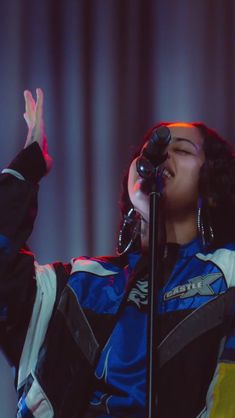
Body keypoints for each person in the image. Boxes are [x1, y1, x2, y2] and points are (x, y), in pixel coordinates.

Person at [0, 88, 235, 418]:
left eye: (180, 149)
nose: (158, 154)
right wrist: (26, 169)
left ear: (211, 188)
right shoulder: (78, 283)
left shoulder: (228, 275)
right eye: (150, 150)